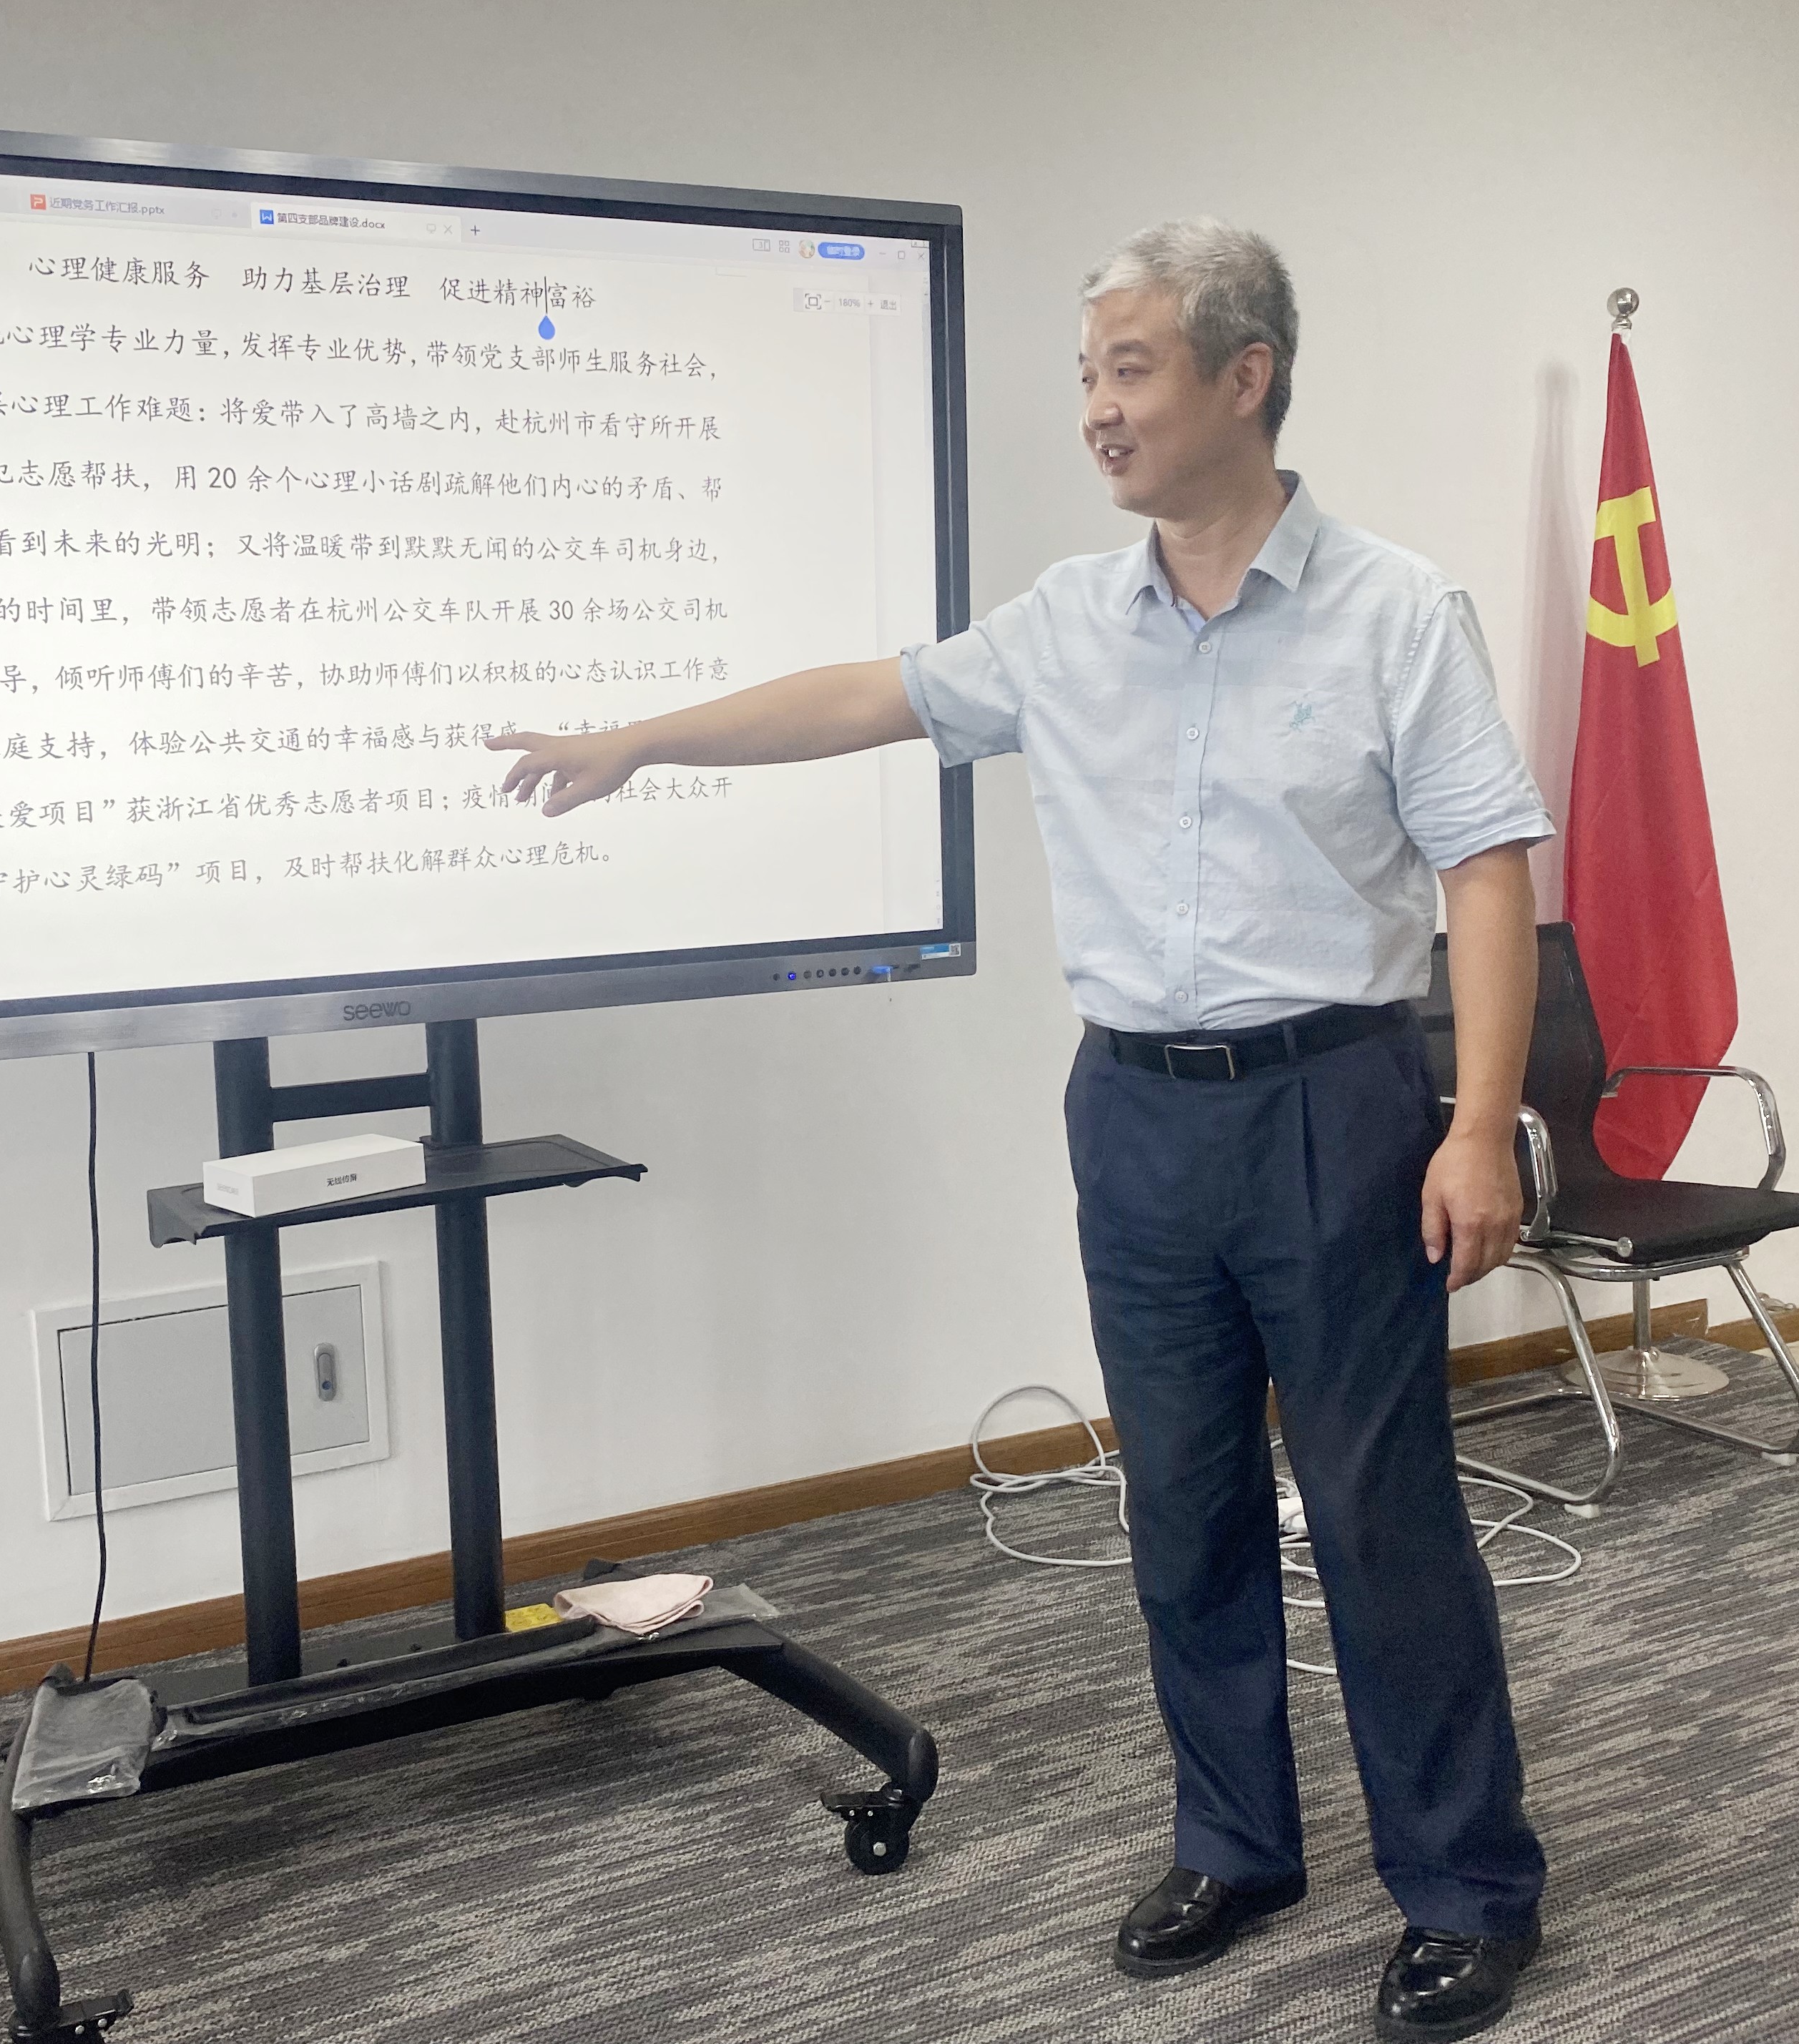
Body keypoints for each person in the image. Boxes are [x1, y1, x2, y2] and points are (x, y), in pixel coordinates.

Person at [488, 219, 1553, 2044]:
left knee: (1381, 1516)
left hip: (1340, 1106)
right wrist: (641, 738)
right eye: (1087, 376)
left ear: (1247, 377)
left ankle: (1465, 1890)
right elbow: (868, 696)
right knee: (1182, 1509)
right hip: (1135, 1116)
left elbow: (1486, 868)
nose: (1098, 411)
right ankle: (1236, 1846)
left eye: (1130, 369)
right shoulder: (1068, 623)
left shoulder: (1396, 611)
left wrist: (1474, 1128)